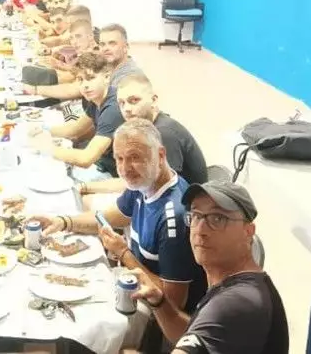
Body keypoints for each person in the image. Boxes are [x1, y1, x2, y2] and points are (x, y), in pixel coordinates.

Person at [30, 119, 207, 326]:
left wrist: (123, 253)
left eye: (134, 158)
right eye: (119, 158)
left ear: (160, 156)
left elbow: (173, 302)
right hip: (133, 282)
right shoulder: (144, 183)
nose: (124, 169)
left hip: (160, 318)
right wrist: (63, 221)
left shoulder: (174, 217)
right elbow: (110, 216)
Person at [130, 180, 289, 354]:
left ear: (248, 231)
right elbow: (196, 336)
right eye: (196, 216)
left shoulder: (237, 302)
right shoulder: (235, 285)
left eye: (217, 218)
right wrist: (159, 301)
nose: (200, 230)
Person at [29, 52, 124, 182]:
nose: (85, 85)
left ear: (107, 77)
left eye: (90, 78)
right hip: (104, 163)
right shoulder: (97, 97)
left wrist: (46, 147)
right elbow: (74, 129)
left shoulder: (112, 109)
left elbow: (86, 159)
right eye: (80, 79)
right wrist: (42, 130)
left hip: (117, 175)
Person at [117, 73, 208, 184]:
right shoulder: (148, 130)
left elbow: (161, 185)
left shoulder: (164, 133)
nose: (126, 108)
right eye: (121, 103)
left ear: (154, 100)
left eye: (134, 100)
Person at [25, 24, 143, 101]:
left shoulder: (127, 76)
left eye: (112, 44)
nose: (106, 48)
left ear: (126, 47)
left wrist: (35, 90)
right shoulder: (107, 64)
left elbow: (73, 89)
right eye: (102, 44)